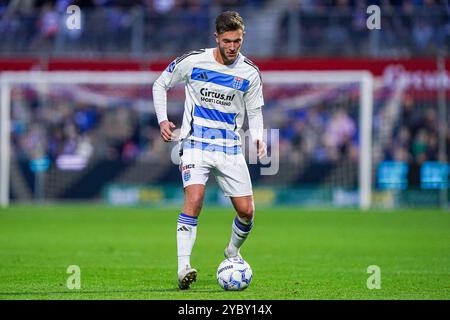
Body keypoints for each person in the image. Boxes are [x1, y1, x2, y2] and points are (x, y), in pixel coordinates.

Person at [152, 11, 266, 290]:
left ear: (243, 38)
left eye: (237, 41)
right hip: (195, 143)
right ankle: (183, 268)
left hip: (229, 148)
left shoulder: (250, 73)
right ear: (216, 37)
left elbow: (255, 111)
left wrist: (259, 137)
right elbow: (160, 84)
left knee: (247, 212)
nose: (232, 46)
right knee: (195, 198)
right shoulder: (193, 61)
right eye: (227, 40)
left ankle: (231, 252)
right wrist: (163, 119)